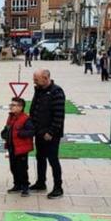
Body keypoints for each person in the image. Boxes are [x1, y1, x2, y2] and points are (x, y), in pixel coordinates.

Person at [29, 69, 66, 199]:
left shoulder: (56, 92)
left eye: (36, 79)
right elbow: (34, 109)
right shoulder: (38, 90)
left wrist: (51, 132)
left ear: (45, 78)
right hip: (39, 132)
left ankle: (58, 187)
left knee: (53, 160)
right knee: (40, 158)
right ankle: (40, 182)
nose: (34, 82)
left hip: (51, 135)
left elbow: (59, 115)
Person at [2, 97, 35, 197]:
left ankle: (25, 186)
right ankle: (17, 184)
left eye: (13, 105)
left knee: (22, 168)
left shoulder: (26, 119)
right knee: (13, 167)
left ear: (20, 107)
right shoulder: (10, 117)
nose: (11, 107)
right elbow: (7, 128)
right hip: (12, 147)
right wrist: (4, 133)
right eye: (11, 105)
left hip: (21, 149)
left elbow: (32, 131)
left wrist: (21, 133)